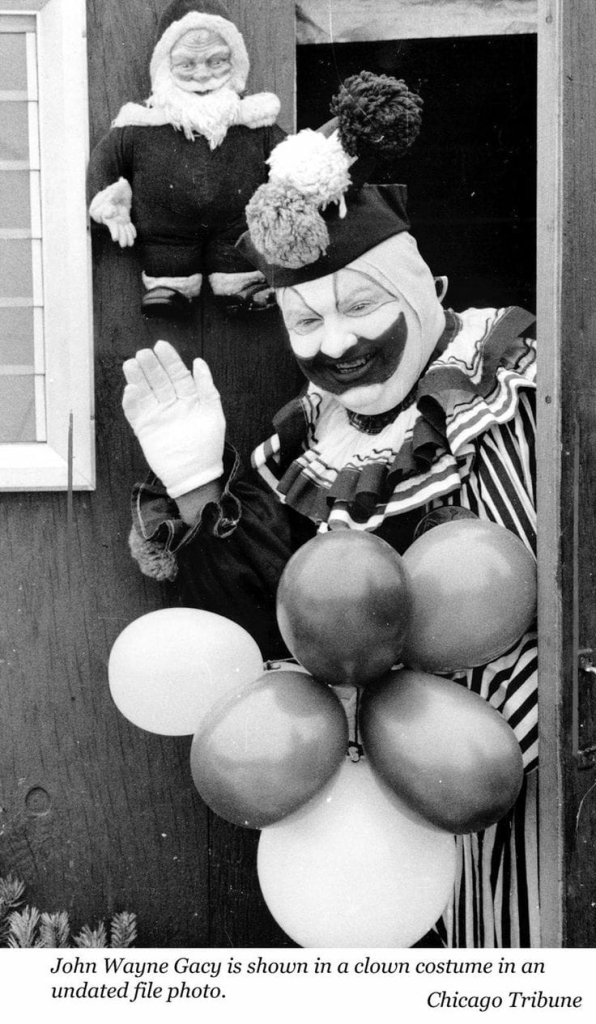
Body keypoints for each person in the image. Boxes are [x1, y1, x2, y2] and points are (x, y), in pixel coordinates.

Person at [121, 74, 538, 948]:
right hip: (403, 811)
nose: (336, 343)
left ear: (422, 287)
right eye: (306, 320)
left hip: (537, 775)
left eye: (361, 305)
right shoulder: (313, 439)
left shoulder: (518, 389)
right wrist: (196, 480)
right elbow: (281, 620)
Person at [88, 0, 284, 319]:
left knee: (239, 254)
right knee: (169, 261)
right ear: (166, 67)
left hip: (238, 226)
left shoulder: (255, 121)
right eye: (187, 64)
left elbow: (290, 160)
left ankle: (243, 286)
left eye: (216, 61)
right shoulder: (138, 124)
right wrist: (108, 202)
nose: (202, 75)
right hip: (165, 232)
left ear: (235, 62)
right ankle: (171, 289)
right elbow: (105, 163)